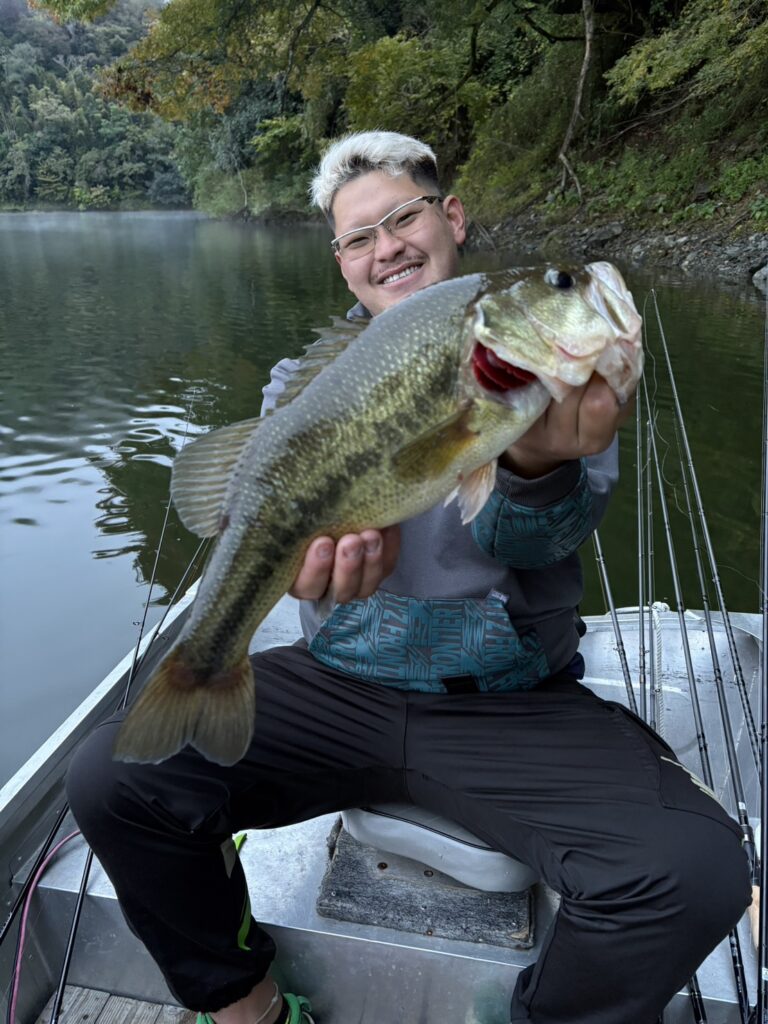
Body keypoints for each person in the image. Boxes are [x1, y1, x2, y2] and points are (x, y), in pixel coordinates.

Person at [67, 131, 750, 1024]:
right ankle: (247, 1007)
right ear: (342, 262)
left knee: (694, 870)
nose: (385, 247)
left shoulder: (560, 382)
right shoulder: (300, 384)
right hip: (338, 688)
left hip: (509, 705)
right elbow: (266, 522)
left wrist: (535, 463)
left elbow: (532, 540)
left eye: (403, 217)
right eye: (359, 237)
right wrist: (305, 578)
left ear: (451, 217)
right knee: (112, 780)